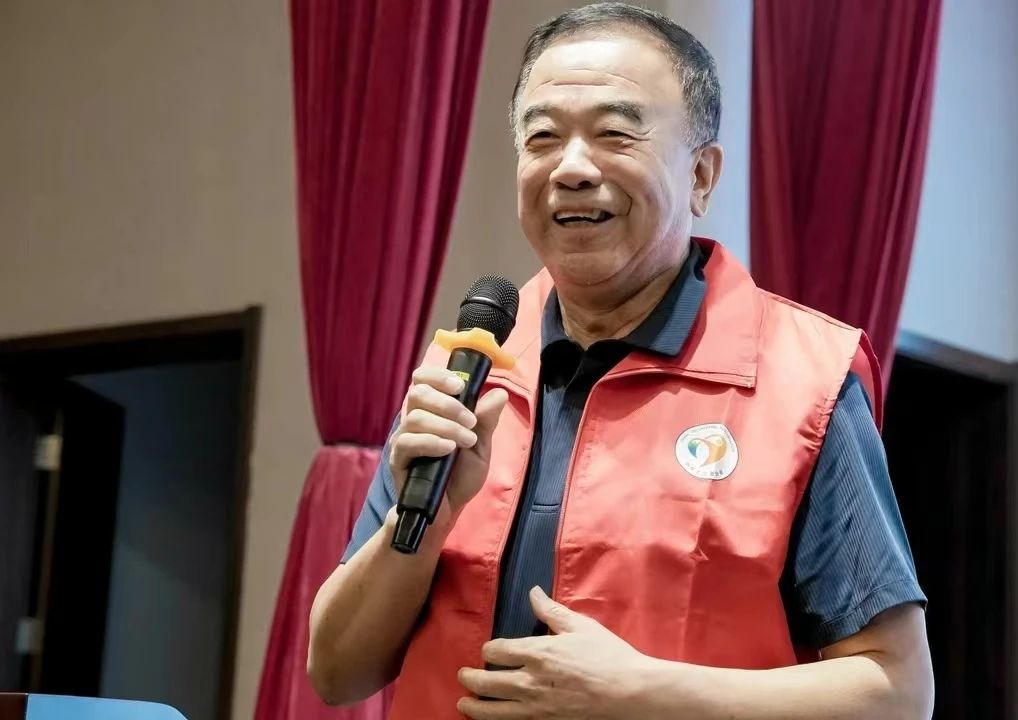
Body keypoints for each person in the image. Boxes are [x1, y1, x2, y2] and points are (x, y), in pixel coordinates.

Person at [307, 4, 932, 718]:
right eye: (543, 138)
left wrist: (644, 694)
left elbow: (897, 693)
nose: (572, 168)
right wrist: (424, 522)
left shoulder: (806, 380)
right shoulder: (470, 369)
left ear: (701, 176)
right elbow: (336, 671)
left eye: (614, 134)